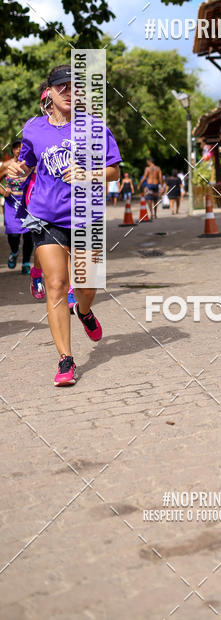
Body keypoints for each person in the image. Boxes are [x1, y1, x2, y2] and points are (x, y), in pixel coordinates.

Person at [5, 65, 121, 386]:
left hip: (86, 214)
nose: (70, 92)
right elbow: (27, 164)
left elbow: (114, 172)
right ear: (50, 93)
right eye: (62, 87)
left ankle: (84, 311)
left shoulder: (94, 127)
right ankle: (65, 360)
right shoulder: (33, 129)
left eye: (75, 87)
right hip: (45, 215)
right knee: (56, 283)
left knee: (86, 286)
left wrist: (89, 174)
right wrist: (18, 168)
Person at [0, 140, 34, 274]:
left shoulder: (31, 165)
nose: (19, 150)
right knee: (13, 234)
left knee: (28, 234)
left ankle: (26, 262)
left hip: (27, 203)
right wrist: (3, 192)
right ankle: (14, 251)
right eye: (16, 148)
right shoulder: (7, 166)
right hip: (11, 203)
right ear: (12, 150)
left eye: (21, 148)